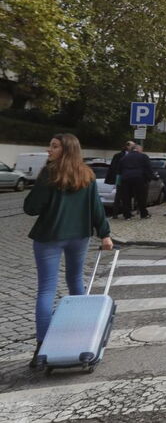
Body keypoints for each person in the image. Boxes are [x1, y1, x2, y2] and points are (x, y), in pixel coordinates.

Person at [23, 134, 113, 369]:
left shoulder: (49, 174)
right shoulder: (87, 174)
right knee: (75, 282)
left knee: (47, 289)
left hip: (50, 237)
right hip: (79, 237)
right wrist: (105, 234)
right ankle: (80, 335)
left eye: (54, 146)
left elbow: (31, 208)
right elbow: (96, 208)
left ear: (66, 150)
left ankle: (42, 346)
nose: (48, 149)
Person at [117, 143, 156, 219]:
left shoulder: (124, 157)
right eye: (141, 149)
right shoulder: (143, 156)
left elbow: (119, 170)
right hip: (139, 178)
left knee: (126, 197)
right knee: (141, 197)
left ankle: (127, 215)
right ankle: (143, 214)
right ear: (138, 149)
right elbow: (148, 168)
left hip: (126, 178)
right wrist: (149, 178)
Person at [105, 141, 134, 214]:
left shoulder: (134, 155)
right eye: (132, 146)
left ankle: (127, 212)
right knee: (118, 195)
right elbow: (114, 167)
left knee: (128, 195)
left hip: (129, 178)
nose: (133, 148)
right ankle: (115, 212)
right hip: (120, 177)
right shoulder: (118, 155)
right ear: (127, 146)